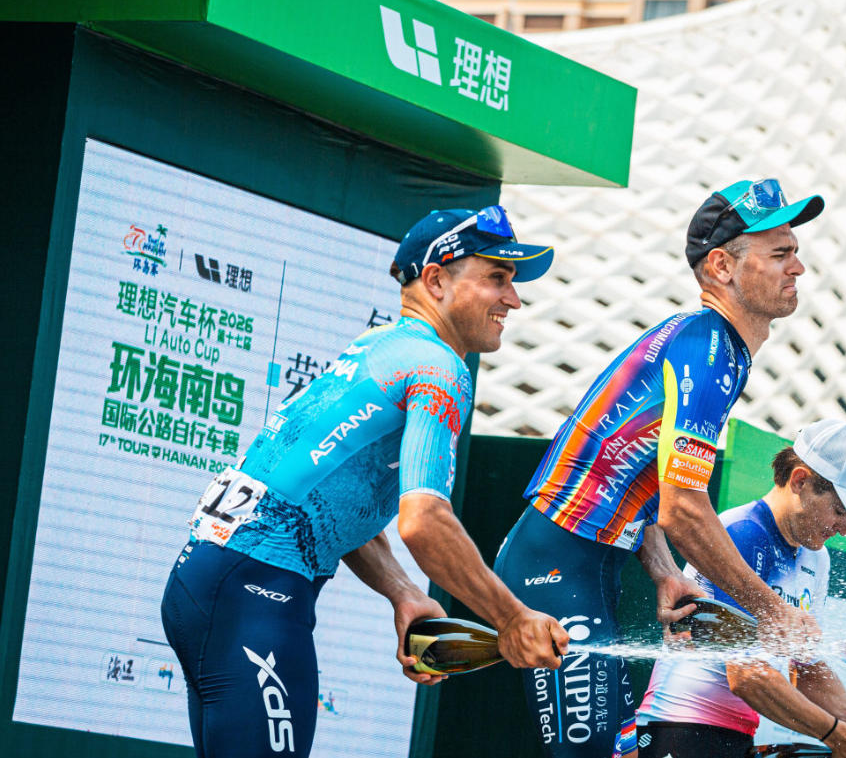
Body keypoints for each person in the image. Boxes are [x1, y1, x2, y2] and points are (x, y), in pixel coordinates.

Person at [159, 206, 571, 758]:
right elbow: (424, 522)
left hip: (216, 581)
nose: (513, 300)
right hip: (255, 591)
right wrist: (512, 618)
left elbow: (326, 502)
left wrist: (403, 592)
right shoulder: (438, 368)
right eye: (497, 277)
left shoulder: (380, 347)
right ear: (436, 280)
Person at [494, 179, 828, 758]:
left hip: (583, 561)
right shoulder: (710, 350)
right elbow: (684, 510)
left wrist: (664, 570)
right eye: (780, 253)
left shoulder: (711, 345)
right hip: (557, 564)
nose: (797, 266)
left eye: (795, 251)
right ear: (722, 266)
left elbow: (637, 477)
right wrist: (773, 612)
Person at [635, 418, 846, 758]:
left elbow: (806, 668)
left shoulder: (817, 558)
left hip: (736, 734)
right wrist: (837, 735)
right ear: (800, 480)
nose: (845, 529)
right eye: (839, 511)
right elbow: (747, 676)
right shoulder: (744, 531)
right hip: (680, 727)